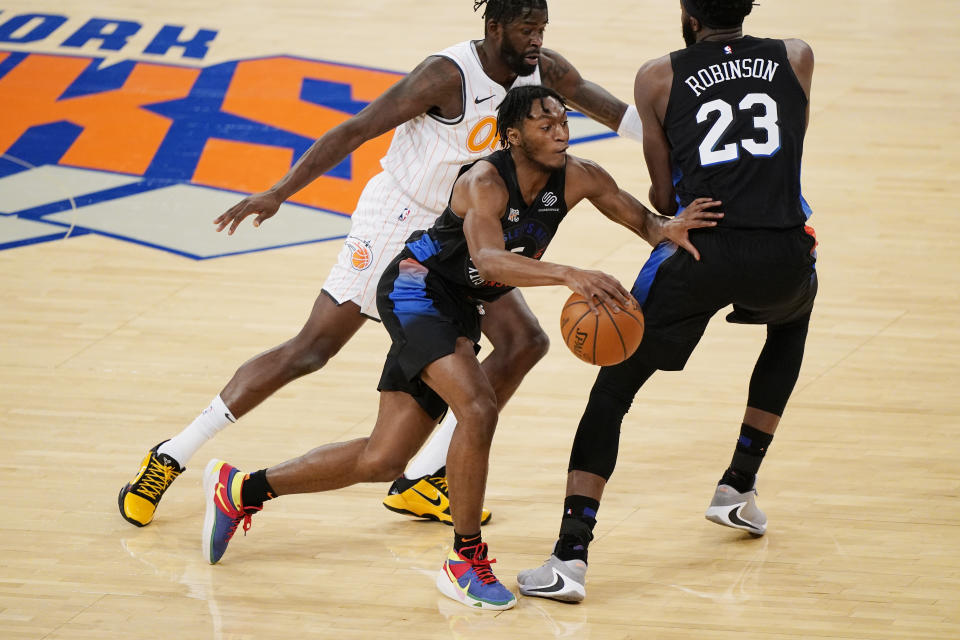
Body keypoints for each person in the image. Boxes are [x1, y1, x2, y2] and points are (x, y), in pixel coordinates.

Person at [117, 0, 649, 529]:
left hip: (462, 231)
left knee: (523, 342)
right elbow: (356, 129)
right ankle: (171, 455)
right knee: (312, 350)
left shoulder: (543, 70)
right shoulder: (446, 75)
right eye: (527, 29)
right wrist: (280, 192)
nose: (537, 39)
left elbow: (608, 109)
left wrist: (674, 141)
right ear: (495, 28)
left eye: (542, 29)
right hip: (399, 221)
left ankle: (424, 477)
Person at [198, 85, 722, 611]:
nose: (561, 131)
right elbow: (491, 261)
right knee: (476, 407)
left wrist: (673, 228)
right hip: (417, 290)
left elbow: (646, 223)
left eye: (563, 121)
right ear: (513, 136)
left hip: (464, 300)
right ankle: (465, 560)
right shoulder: (483, 181)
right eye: (546, 124)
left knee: (383, 458)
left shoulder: (582, 174)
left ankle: (241, 489)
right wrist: (569, 274)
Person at [517, 0, 818, 603]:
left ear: (687, 15)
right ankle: (738, 486)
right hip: (783, 246)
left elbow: (661, 191)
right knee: (791, 323)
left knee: (613, 389)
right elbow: (787, 149)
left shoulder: (659, 76)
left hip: (699, 246)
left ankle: (570, 557)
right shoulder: (796, 55)